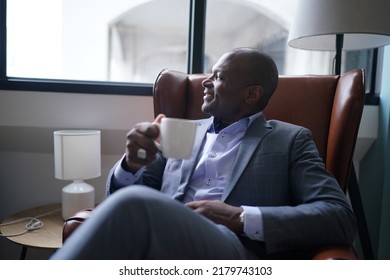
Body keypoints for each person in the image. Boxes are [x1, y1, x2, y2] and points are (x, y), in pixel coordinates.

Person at [51, 48, 357, 260]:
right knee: (131, 202)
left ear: (252, 94)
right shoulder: (181, 131)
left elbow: (340, 218)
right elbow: (125, 199)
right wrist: (131, 164)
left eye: (220, 77)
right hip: (161, 244)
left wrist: (240, 217)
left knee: (133, 205)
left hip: (234, 251)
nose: (207, 83)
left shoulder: (290, 140)